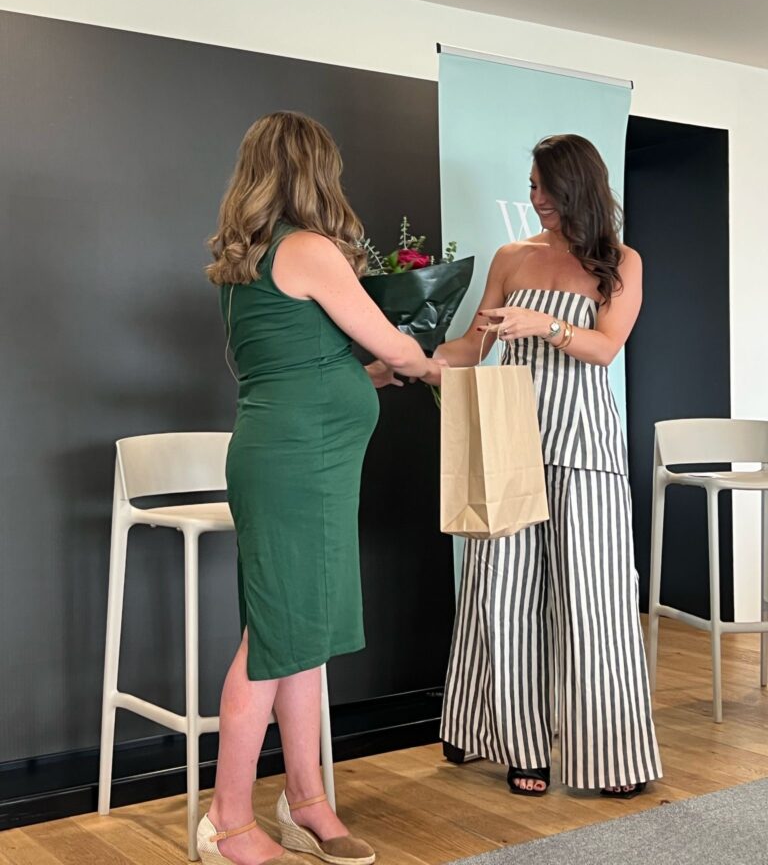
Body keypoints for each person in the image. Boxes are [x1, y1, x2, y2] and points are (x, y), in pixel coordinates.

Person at [201, 111, 440, 865]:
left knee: (303, 636)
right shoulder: (307, 249)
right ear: (313, 171)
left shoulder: (251, 261)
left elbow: (298, 364)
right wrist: (429, 366)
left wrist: (362, 378)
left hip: (304, 459)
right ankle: (226, 823)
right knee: (275, 639)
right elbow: (396, 345)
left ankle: (306, 804)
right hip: (295, 463)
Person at [437, 134, 662, 798]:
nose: (535, 198)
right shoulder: (512, 258)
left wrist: (545, 326)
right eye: (532, 187)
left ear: (576, 187)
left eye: (544, 188)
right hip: (510, 443)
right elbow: (472, 347)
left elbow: (605, 347)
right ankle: (519, 746)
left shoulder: (620, 262)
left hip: (586, 446)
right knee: (502, 595)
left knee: (596, 600)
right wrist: (410, 356)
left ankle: (611, 754)